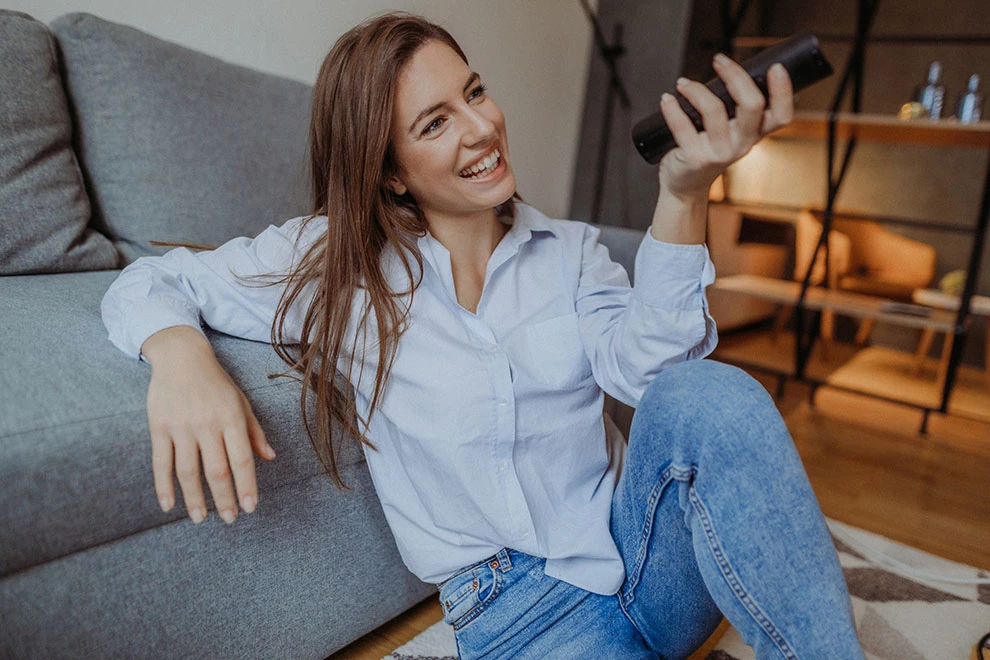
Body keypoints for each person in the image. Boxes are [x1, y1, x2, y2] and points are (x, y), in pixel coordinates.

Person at [101, 12, 864, 660]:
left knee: (711, 392)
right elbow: (151, 279)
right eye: (436, 123)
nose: (483, 128)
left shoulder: (571, 252)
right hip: (517, 612)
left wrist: (684, 192)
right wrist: (181, 360)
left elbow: (653, 376)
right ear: (391, 171)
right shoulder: (341, 266)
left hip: (645, 557)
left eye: (474, 93)